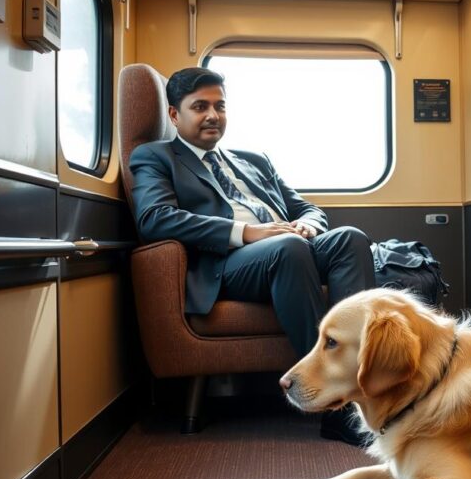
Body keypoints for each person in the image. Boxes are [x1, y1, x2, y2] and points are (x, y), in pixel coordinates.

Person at [129, 67, 372, 445]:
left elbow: (306, 207)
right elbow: (153, 218)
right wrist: (247, 233)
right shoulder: (156, 157)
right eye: (200, 107)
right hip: (228, 264)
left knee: (349, 239)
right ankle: (332, 405)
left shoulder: (253, 160)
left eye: (219, 105)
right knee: (286, 248)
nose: (213, 115)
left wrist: (307, 224)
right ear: (175, 115)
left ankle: (363, 384)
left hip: (291, 245)